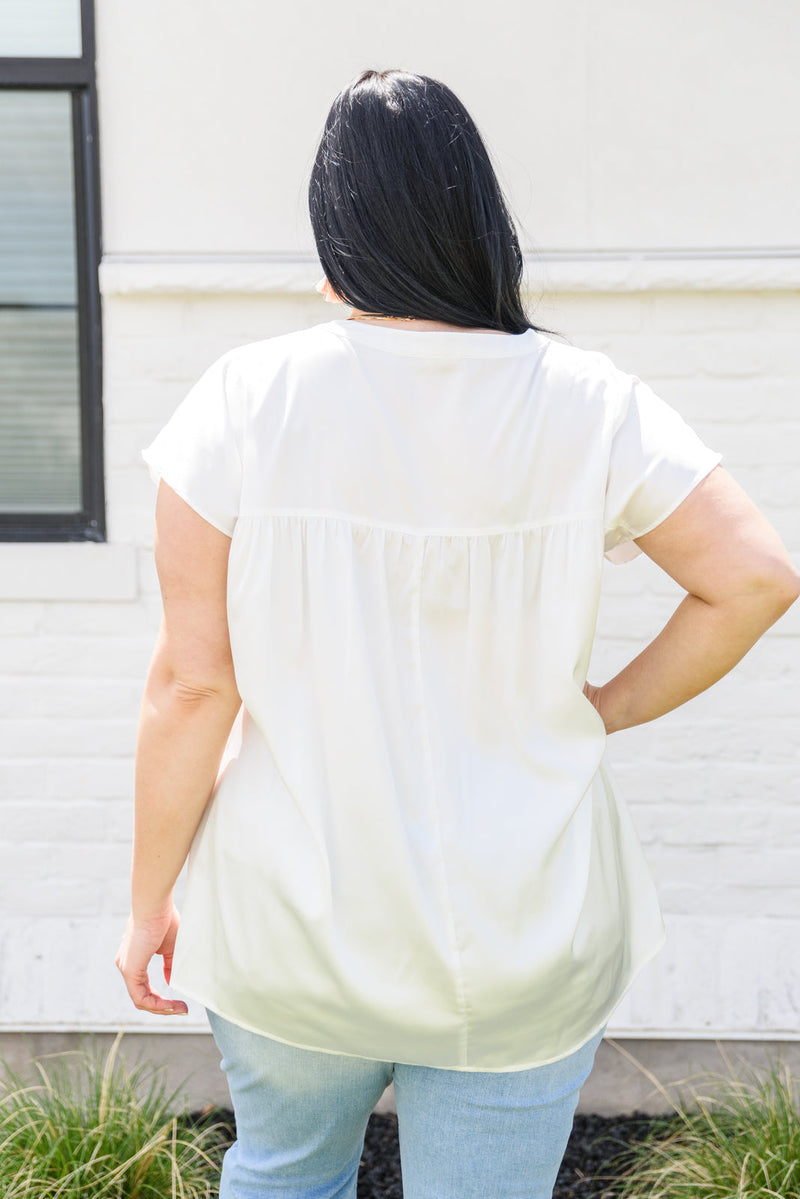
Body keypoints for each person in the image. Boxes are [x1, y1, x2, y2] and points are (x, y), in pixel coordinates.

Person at [115, 68, 799, 1199]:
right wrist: (603, 709)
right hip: (520, 928)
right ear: (478, 217)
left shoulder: (243, 398)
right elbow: (756, 578)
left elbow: (192, 685)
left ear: (335, 228)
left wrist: (148, 902)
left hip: (293, 920)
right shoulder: (586, 398)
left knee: (284, 1173)